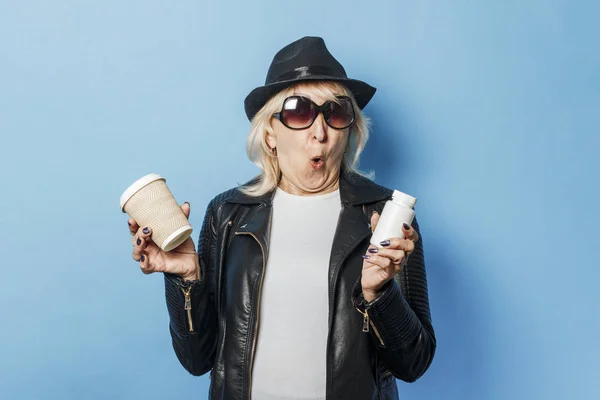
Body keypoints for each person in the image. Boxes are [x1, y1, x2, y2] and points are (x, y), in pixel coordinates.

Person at [127, 36, 435, 400]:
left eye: (335, 113)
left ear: (349, 128)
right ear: (270, 134)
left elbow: (413, 364)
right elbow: (198, 360)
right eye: (299, 112)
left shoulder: (386, 217)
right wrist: (187, 280)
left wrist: (378, 293)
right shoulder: (228, 215)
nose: (319, 133)